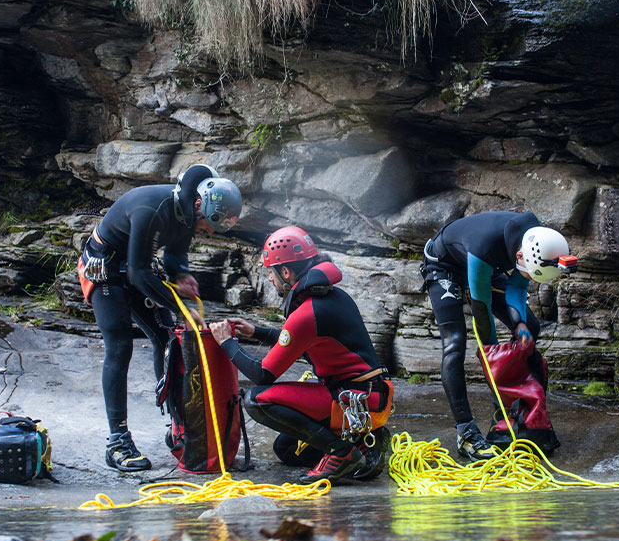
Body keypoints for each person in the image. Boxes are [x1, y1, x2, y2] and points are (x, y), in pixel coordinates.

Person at [77, 164, 242, 471]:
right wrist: (180, 306)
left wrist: (181, 275)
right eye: (209, 224)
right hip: (105, 268)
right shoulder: (152, 208)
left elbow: (175, 255)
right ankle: (117, 441)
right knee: (120, 346)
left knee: (168, 339)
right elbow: (140, 274)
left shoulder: (186, 213)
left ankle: (178, 426)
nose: (207, 231)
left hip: (135, 267)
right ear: (198, 205)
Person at [209, 226, 394, 484]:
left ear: (286, 271)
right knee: (285, 450)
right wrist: (255, 331)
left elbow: (262, 374)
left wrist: (226, 342)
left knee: (257, 400)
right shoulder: (331, 295)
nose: (271, 279)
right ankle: (365, 444)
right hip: (366, 397)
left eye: (271, 273)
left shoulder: (307, 312)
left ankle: (342, 452)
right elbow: (301, 340)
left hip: (354, 401)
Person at [420, 211, 573, 460]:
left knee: (530, 328)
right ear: (521, 256)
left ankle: (519, 412)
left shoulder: (537, 241)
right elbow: (482, 317)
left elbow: (518, 284)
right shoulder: (487, 246)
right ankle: (466, 432)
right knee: (455, 343)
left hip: (489, 267)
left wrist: (520, 325)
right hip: (446, 265)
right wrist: (495, 366)